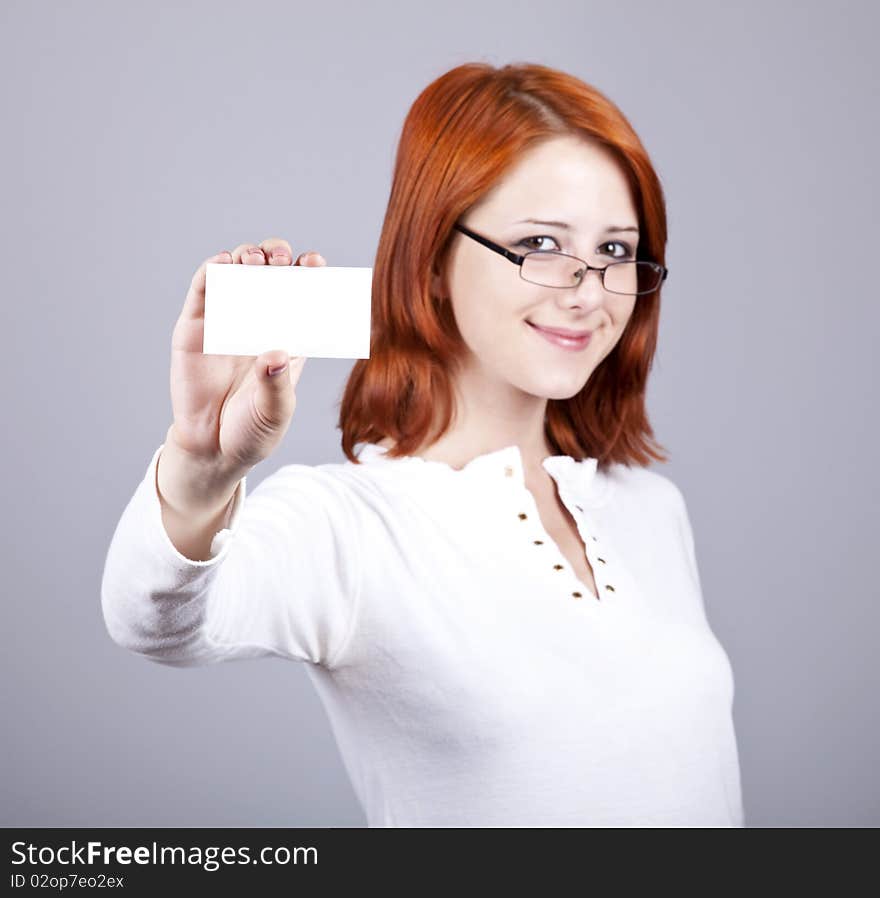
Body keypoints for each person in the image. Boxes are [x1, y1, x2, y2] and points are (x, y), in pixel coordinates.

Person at [101, 61, 745, 827]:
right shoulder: (349, 524)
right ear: (434, 259)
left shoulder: (650, 508)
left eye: (615, 251)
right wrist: (203, 465)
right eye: (541, 242)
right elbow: (156, 623)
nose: (586, 291)